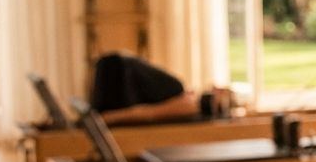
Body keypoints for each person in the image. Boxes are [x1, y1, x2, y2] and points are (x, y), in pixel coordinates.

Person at [89, 52, 228, 125]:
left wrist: (109, 118)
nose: (217, 87)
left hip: (117, 75)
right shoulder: (184, 94)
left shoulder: (189, 104)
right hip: (116, 69)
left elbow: (150, 113)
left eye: (222, 92)